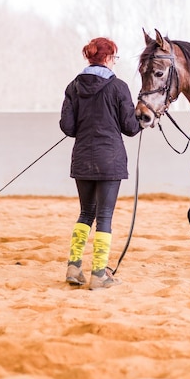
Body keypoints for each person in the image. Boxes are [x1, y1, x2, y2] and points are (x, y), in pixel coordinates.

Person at [59, 37, 141, 290]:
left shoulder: (73, 86)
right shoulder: (119, 87)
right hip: (110, 159)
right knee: (104, 216)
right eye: (114, 57)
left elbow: (68, 127)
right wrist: (144, 119)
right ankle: (99, 273)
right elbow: (130, 128)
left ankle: (74, 266)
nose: (115, 62)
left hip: (83, 157)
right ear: (107, 58)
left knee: (86, 213)